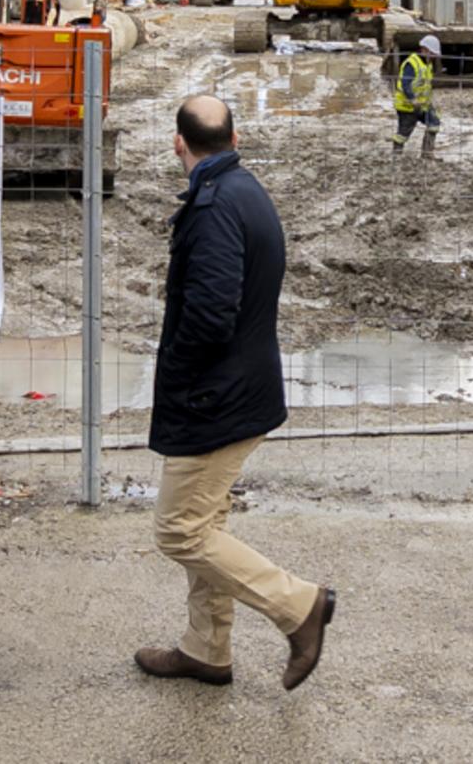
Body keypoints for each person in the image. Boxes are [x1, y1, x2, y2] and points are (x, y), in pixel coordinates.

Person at [134, 95, 336, 691]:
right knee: (207, 522)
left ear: (179, 143)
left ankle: (298, 606)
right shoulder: (241, 188)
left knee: (181, 531)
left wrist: (182, 374)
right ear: (234, 135)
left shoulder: (216, 206)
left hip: (216, 397)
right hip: (236, 389)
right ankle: (207, 648)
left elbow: (212, 314)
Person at [392, 35, 443, 158]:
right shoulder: (412, 64)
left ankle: (427, 153)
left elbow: (425, 85)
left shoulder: (427, 64)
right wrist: (412, 99)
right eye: (432, 53)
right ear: (424, 50)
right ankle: (396, 155)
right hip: (407, 105)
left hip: (422, 104)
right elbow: (405, 84)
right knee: (403, 133)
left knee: (434, 122)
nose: (434, 56)